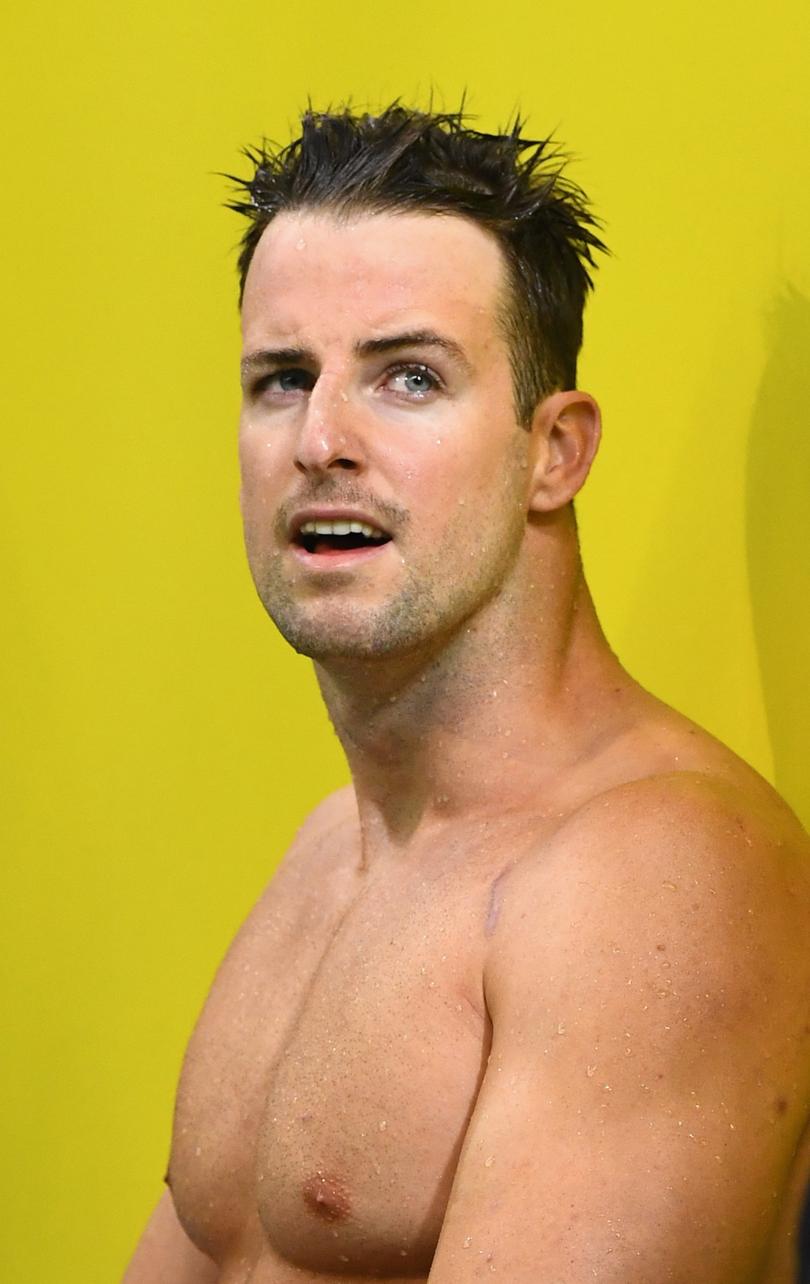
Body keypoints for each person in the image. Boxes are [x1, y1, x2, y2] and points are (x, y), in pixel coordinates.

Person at [123, 104, 810, 1283]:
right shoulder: (331, 851)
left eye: (408, 378)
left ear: (558, 452)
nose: (320, 439)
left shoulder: (653, 879)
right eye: (282, 380)